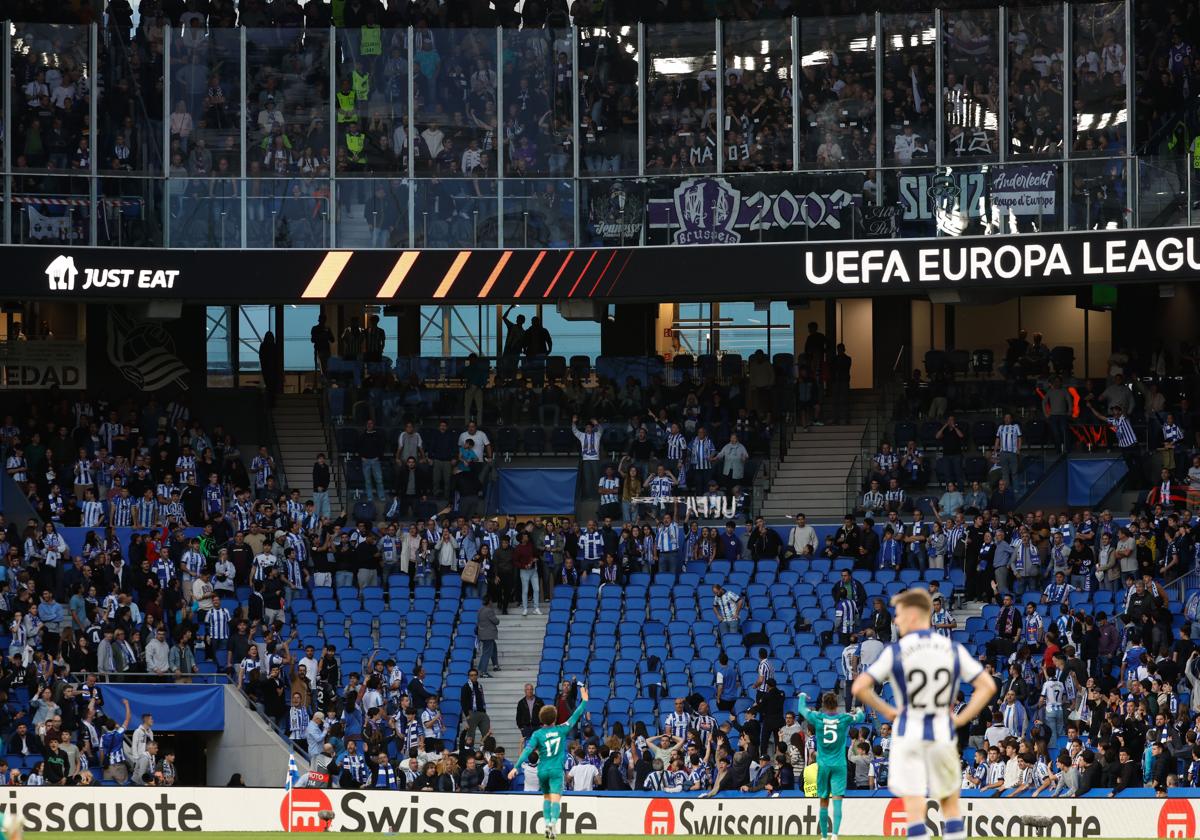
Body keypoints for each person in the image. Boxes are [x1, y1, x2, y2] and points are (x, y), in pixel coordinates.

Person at [852, 589, 996, 840]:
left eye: (899, 615)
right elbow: (987, 686)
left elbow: (859, 686)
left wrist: (890, 712)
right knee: (950, 802)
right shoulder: (950, 649)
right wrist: (961, 718)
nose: (896, 621)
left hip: (909, 732)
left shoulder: (896, 651)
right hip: (941, 730)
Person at [509, 684, 589, 840]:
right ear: (554, 718)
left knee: (546, 797)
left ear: (541, 719)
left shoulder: (537, 734)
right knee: (556, 798)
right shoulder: (561, 729)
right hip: (556, 770)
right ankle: (553, 823)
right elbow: (575, 715)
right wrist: (584, 701)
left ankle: (546, 824)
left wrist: (516, 767)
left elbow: (527, 750)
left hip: (542, 771)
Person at [797, 691, 864, 840]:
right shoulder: (844, 718)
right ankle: (835, 835)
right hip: (839, 764)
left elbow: (801, 709)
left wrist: (802, 696)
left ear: (823, 705)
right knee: (838, 799)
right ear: (836, 705)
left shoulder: (817, 717)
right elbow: (861, 717)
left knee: (823, 799)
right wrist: (858, 709)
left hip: (824, 765)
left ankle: (824, 837)